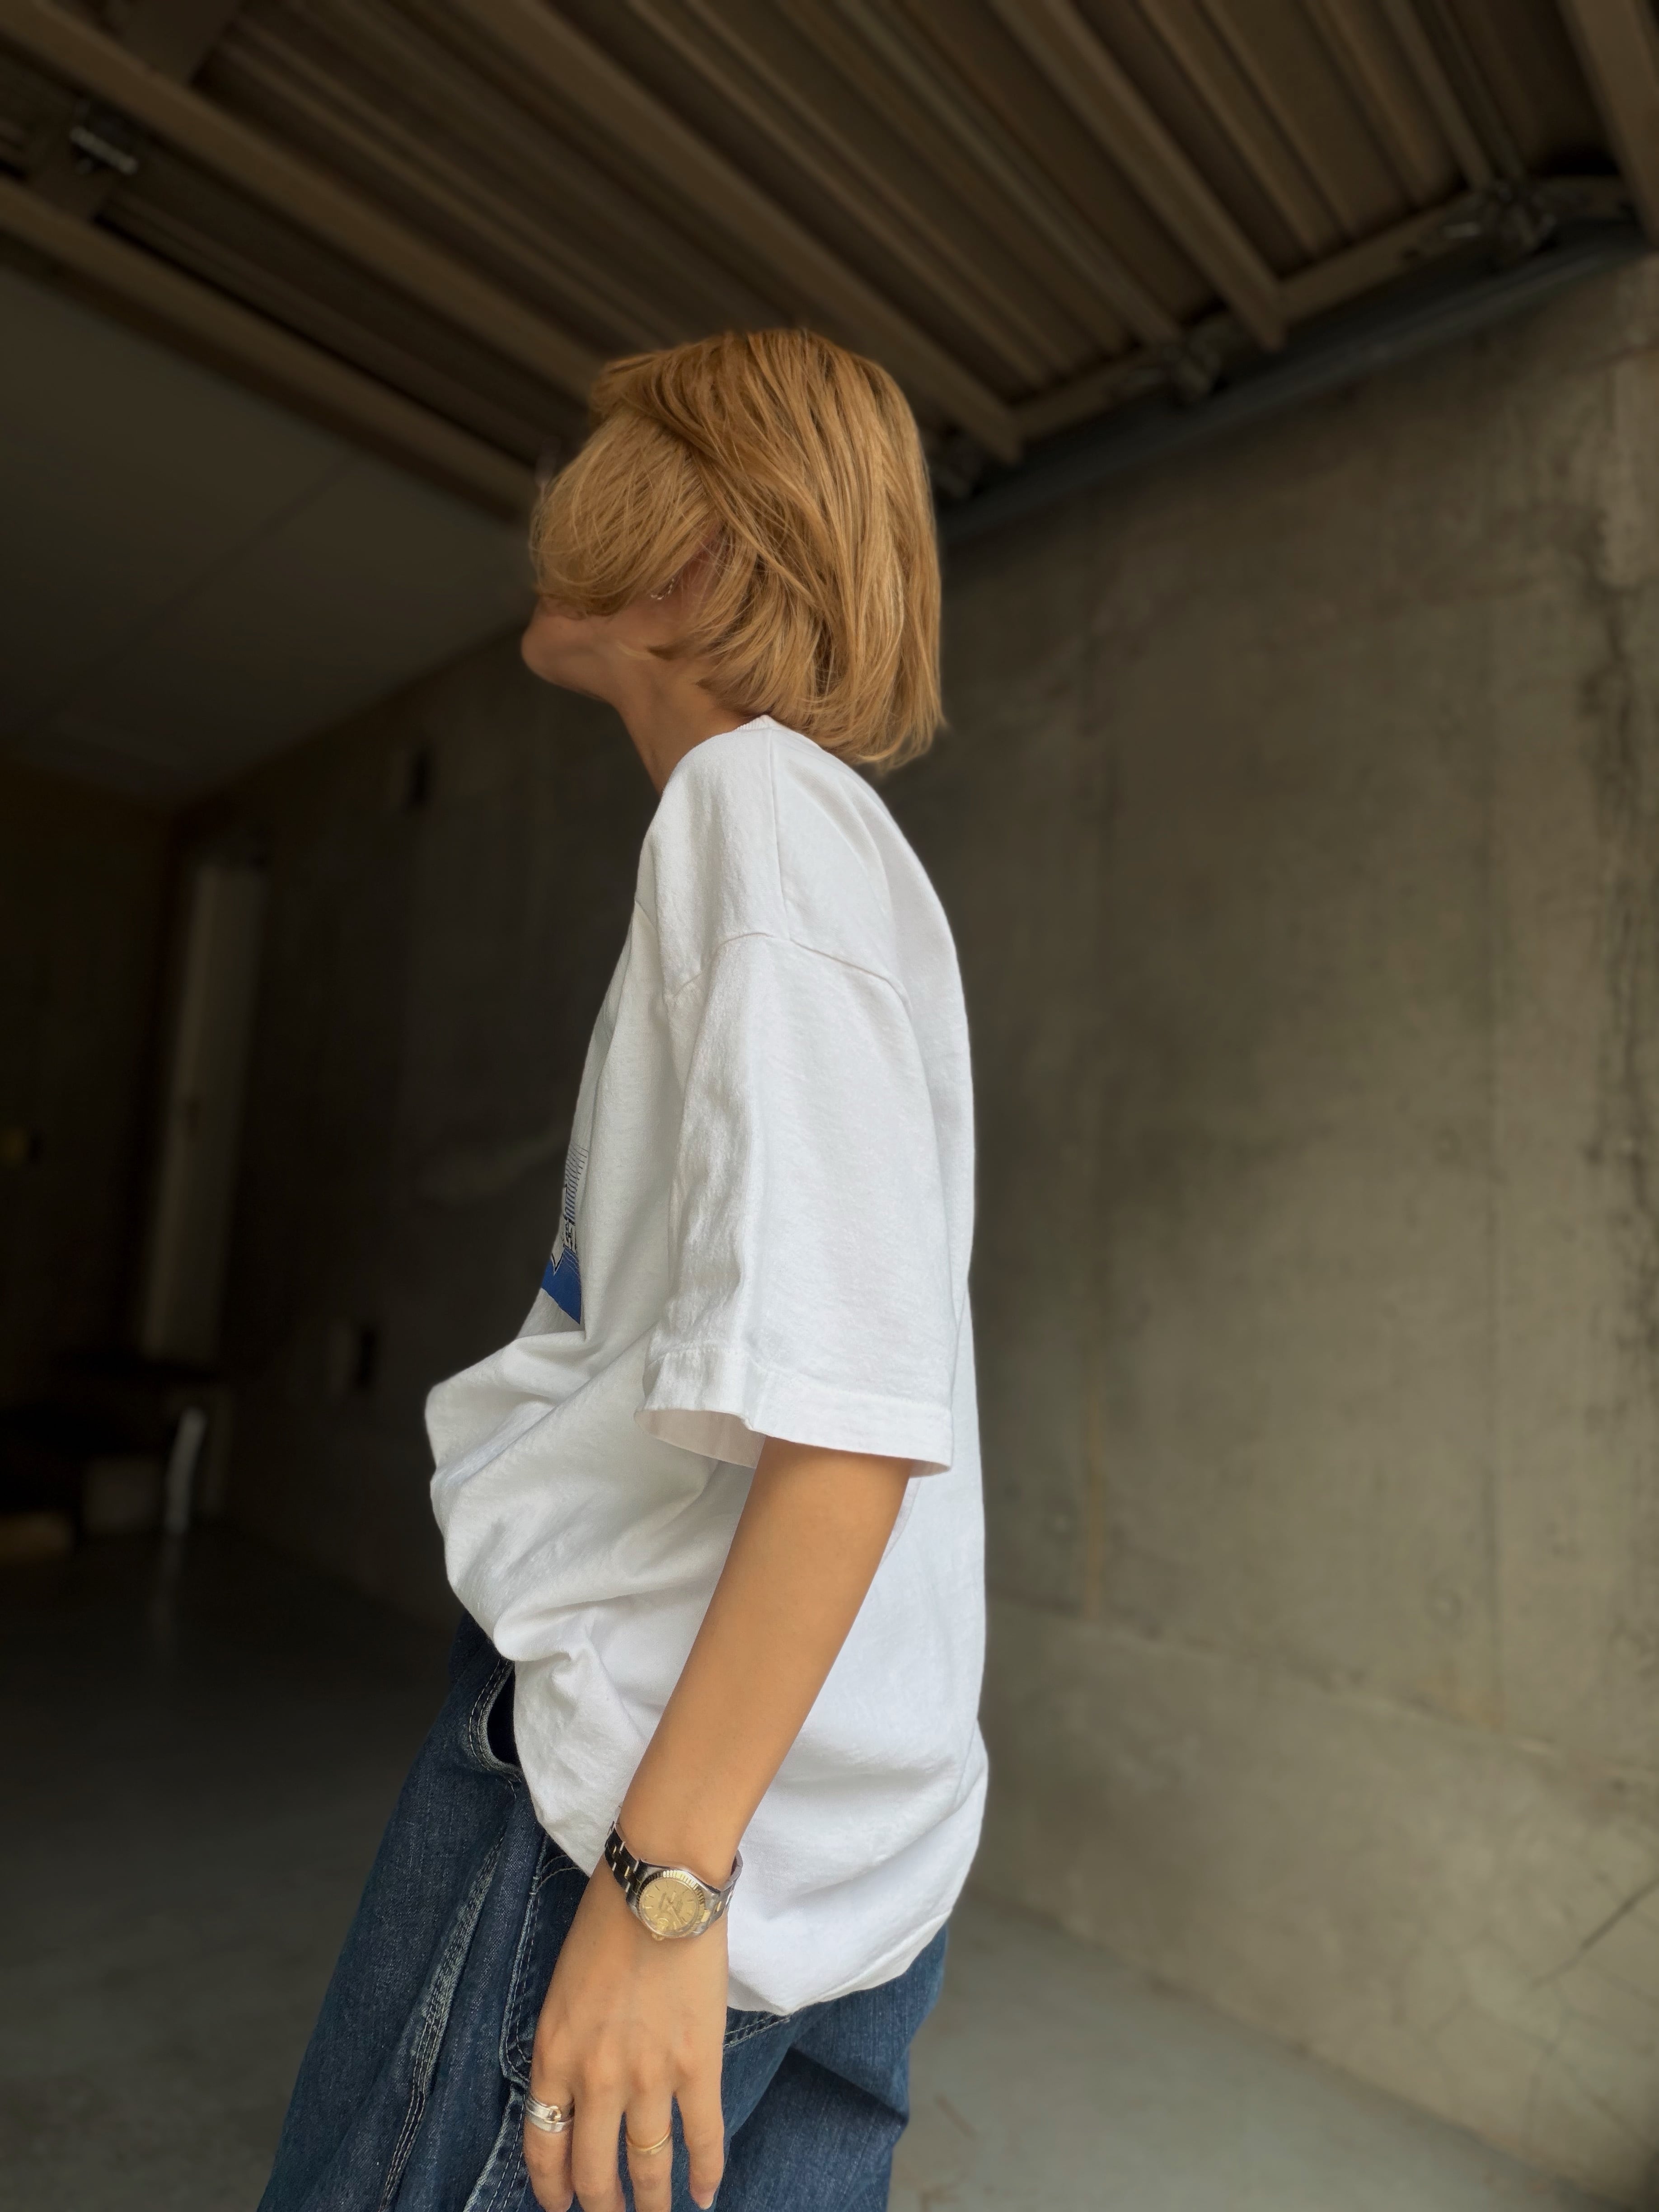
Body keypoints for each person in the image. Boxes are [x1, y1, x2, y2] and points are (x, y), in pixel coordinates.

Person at [259, 328, 985, 2212]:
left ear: (700, 554)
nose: (554, 511)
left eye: (605, 477)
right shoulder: (826, 854)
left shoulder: (757, 813)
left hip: (649, 1816)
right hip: (842, 1863)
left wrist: (663, 1890)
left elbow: (847, 1427)